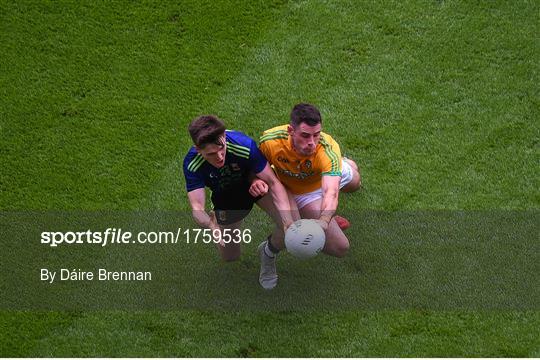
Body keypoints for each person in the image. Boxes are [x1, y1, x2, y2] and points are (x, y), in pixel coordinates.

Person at [254, 103, 361, 289]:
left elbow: (330, 191)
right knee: (338, 247)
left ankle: (344, 166)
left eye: (316, 134)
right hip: (294, 189)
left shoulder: (326, 148)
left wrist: (325, 220)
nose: (312, 142)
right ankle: (268, 251)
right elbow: (257, 171)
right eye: (305, 135)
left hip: (323, 179)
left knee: (355, 183)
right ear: (290, 131)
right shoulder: (270, 142)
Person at [182, 115, 293, 263]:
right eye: (211, 154)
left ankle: (269, 251)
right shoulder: (192, 164)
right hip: (226, 197)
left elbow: (273, 183)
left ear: (224, 137)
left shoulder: (244, 145)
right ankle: (218, 217)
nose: (220, 157)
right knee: (230, 257)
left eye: (222, 148)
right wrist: (211, 225)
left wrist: (287, 221)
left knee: (291, 229)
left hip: (255, 185)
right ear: (198, 150)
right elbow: (197, 207)